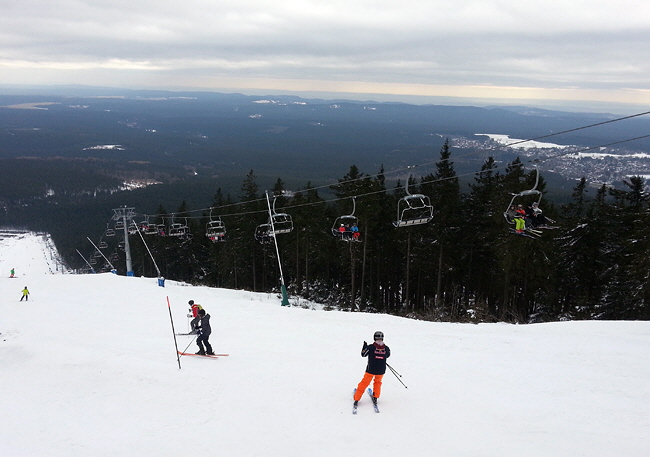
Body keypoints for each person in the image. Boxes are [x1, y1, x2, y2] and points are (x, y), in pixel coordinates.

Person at [353, 331, 390, 407]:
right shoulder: (386, 348)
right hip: (381, 370)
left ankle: (357, 398)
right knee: (377, 383)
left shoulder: (371, 347)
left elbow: (363, 354)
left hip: (371, 370)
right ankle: (375, 397)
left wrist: (364, 347)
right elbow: (388, 355)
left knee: (364, 383)